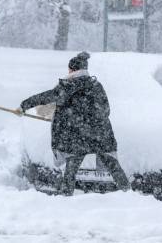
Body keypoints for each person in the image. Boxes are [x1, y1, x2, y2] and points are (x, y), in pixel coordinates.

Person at [17, 52, 129, 196]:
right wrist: (91, 121)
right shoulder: (96, 85)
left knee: (71, 170)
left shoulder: (67, 86)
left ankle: (66, 197)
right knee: (113, 166)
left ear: (72, 70)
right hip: (99, 134)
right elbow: (106, 110)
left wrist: (23, 105)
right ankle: (128, 192)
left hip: (78, 136)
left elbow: (45, 97)